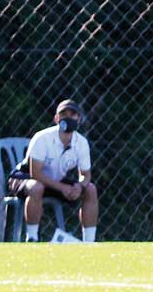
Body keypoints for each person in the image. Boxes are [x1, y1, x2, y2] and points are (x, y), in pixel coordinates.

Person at [6, 99, 98, 242]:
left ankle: (89, 243)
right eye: (64, 114)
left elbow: (85, 175)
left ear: (79, 119)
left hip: (54, 181)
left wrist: (79, 186)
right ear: (56, 118)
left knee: (90, 189)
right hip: (25, 177)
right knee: (37, 187)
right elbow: (35, 173)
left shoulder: (81, 143)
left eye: (73, 114)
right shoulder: (42, 138)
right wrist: (62, 187)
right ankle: (32, 239)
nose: (68, 117)